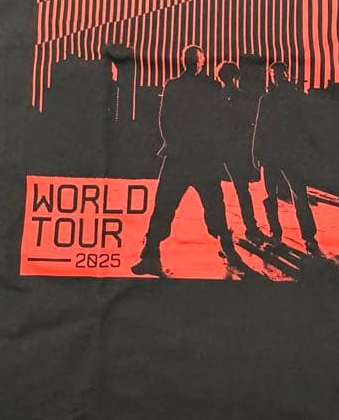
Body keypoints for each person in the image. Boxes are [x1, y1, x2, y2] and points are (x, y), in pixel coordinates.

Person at [131, 45, 246, 277]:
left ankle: (150, 254)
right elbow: (220, 122)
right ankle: (227, 249)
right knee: (213, 206)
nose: (193, 62)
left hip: (179, 157)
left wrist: (174, 143)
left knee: (165, 206)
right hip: (203, 158)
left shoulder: (174, 86)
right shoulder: (212, 87)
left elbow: (165, 119)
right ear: (200, 63)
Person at [252, 63, 320, 254]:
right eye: (273, 74)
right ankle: (277, 235)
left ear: (286, 75)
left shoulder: (293, 98)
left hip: (288, 153)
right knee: (274, 196)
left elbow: (304, 126)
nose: (276, 77)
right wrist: (256, 152)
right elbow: (260, 126)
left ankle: (308, 238)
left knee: (298, 195)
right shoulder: (268, 99)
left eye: (279, 74)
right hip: (274, 154)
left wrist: (306, 150)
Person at [215, 62, 268, 244]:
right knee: (242, 190)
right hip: (237, 149)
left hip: (219, 149)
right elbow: (249, 123)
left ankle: (223, 231)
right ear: (235, 77)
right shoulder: (242, 97)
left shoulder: (216, 97)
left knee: (216, 193)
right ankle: (250, 227)